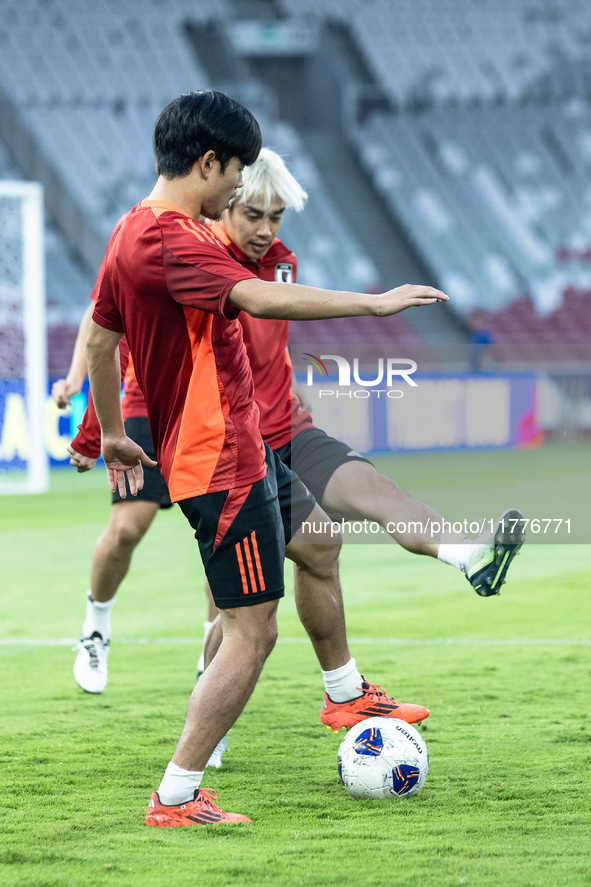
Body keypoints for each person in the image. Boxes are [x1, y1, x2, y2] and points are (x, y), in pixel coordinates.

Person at [84, 89, 449, 827]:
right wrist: (374, 305)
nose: (238, 189)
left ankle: (344, 690)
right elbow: (259, 299)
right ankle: (177, 794)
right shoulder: (174, 240)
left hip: (233, 451)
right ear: (208, 160)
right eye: (236, 172)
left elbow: (97, 338)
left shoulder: (131, 229)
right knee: (252, 630)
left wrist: (113, 432)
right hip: (220, 463)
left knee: (316, 540)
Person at [199, 149, 525, 738]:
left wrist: (293, 389)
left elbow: (268, 345)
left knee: (371, 494)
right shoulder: (200, 265)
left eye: (276, 216)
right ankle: (214, 717)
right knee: (248, 609)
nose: (266, 229)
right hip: (232, 447)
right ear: (226, 203)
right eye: (253, 214)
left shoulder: (282, 262)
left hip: (288, 429)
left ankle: (470, 556)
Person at [52, 280, 218, 695]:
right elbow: (102, 320)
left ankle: (213, 664)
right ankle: (95, 629)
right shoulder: (140, 234)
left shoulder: (228, 246)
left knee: (223, 539)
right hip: (144, 405)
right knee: (126, 530)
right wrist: (80, 389)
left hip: (211, 409)